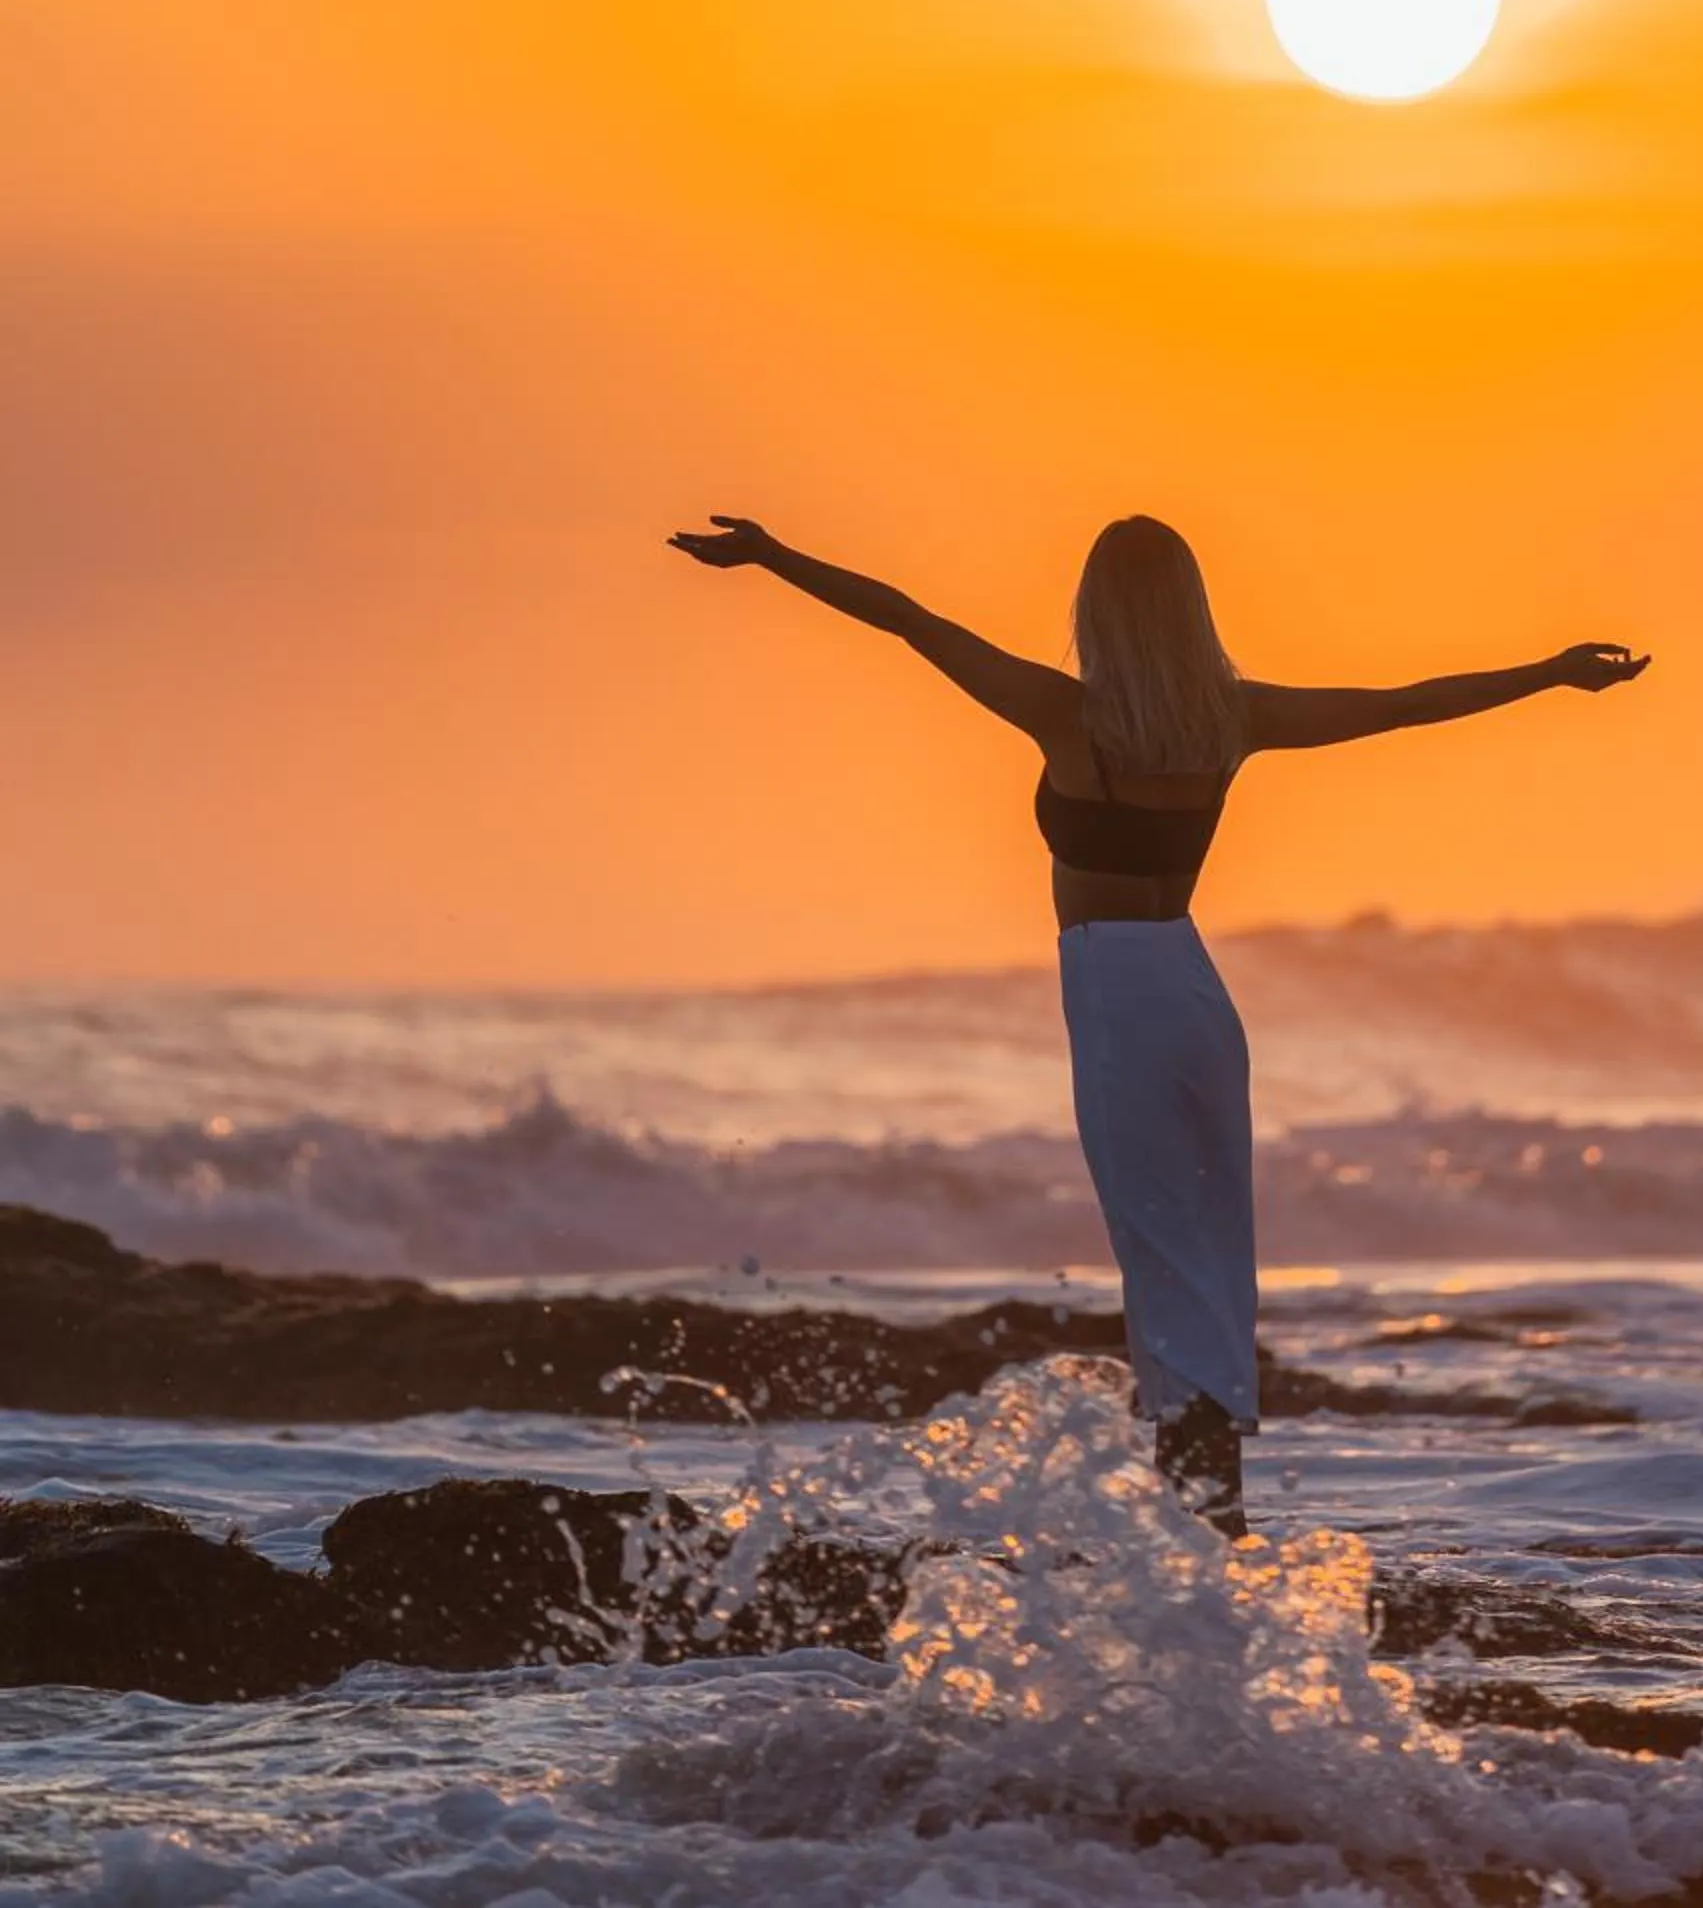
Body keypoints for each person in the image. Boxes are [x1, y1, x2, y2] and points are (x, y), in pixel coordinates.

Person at [668, 507, 1649, 1536]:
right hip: (1192, 987)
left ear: (1098, 612)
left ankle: (1200, 1517)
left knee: (1159, 1242)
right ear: (1189, 612)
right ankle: (1212, 1502)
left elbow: (910, 620)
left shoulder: (1062, 712)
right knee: (1212, 1244)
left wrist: (776, 557)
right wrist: (1549, 672)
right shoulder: (1232, 716)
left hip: (1116, 991)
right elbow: (1401, 706)